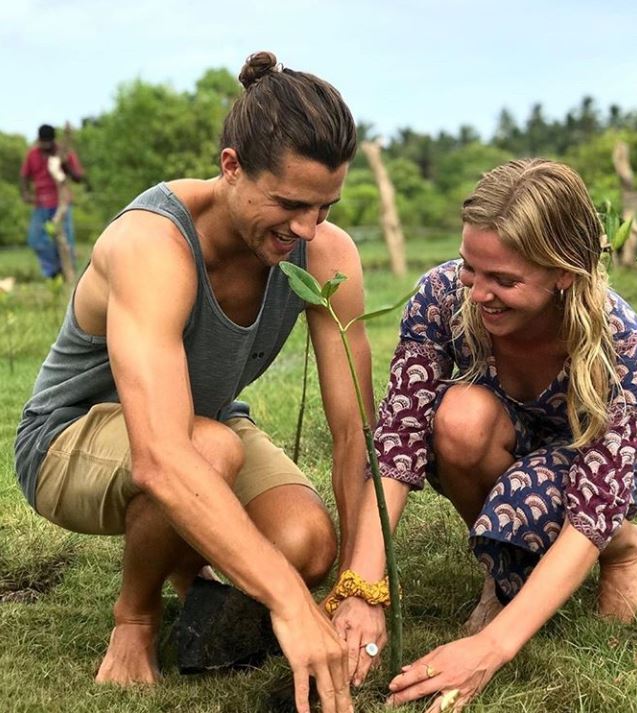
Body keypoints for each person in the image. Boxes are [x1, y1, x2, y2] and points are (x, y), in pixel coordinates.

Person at [15, 51, 373, 713]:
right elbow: (161, 457)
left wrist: (357, 583)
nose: (305, 228)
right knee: (203, 454)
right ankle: (136, 617)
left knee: (306, 543)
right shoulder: (153, 244)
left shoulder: (327, 254)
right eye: (290, 203)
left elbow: (354, 428)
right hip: (70, 440)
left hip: (202, 423)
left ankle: (196, 574)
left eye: (324, 206)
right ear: (231, 166)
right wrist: (291, 606)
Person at [327, 158, 637, 710]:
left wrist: (492, 645)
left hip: (597, 465)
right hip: (497, 438)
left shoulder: (618, 341)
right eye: (471, 268)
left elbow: (592, 504)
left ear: (564, 273)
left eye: (504, 280)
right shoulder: (439, 296)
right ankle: (501, 572)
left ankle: (626, 547)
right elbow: (398, 441)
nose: (478, 293)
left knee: (536, 504)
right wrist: (362, 589)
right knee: (457, 422)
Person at [20, 123, 85, 278]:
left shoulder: (64, 153)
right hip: (41, 203)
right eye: (43, 143)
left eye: (48, 143)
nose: (45, 146)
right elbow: (24, 175)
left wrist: (65, 165)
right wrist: (25, 193)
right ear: (39, 140)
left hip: (61, 204)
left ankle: (70, 274)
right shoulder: (33, 154)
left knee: (65, 240)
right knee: (36, 240)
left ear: (53, 141)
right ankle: (53, 272)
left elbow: (79, 177)